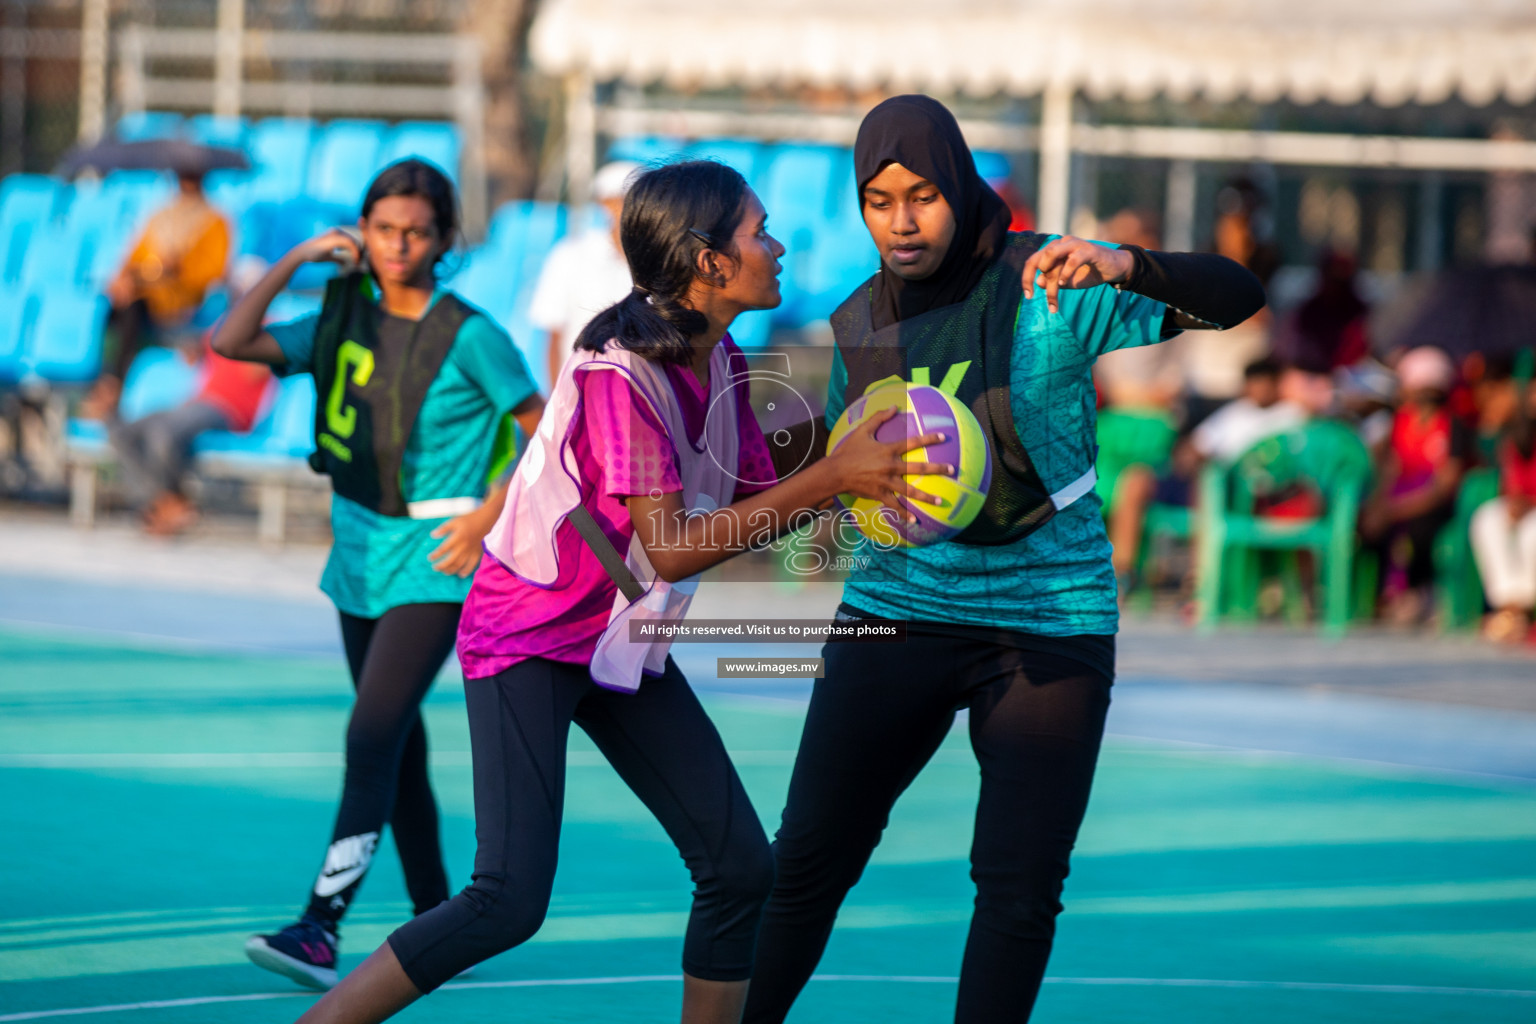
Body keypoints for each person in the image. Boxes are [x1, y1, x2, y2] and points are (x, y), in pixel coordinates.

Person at [287, 160, 951, 1024]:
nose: (777, 246)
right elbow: (673, 550)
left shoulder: (718, 362)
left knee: (740, 869)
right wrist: (832, 474)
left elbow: (753, 503)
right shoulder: (617, 371)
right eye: (758, 232)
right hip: (530, 635)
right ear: (708, 260)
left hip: (616, 643)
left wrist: (855, 477)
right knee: (507, 900)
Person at [742, 95, 1265, 1024]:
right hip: (896, 606)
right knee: (808, 864)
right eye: (877, 200)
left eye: (923, 196)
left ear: (962, 187)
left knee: (1017, 890)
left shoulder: (1050, 283)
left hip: (1049, 617)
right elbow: (853, 465)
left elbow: (1236, 296)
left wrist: (1129, 264)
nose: (901, 221)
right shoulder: (858, 317)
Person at [211, 159, 546, 991]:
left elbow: (549, 433)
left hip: (439, 559)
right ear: (363, 232)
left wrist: (488, 514)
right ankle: (441, 912)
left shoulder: (470, 333)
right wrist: (293, 262)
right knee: (397, 747)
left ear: (444, 240)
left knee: (371, 733)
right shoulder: (339, 313)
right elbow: (229, 341)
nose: (399, 245)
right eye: (385, 229)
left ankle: (318, 929)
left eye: (417, 231)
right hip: (358, 551)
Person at [85, 170, 232, 417]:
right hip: (145, 295)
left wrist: (177, 269)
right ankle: (102, 380)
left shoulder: (215, 222)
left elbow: (213, 272)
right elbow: (134, 259)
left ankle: (114, 384)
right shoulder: (161, 218)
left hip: (181, 302)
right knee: (112, 309)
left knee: (132, 311)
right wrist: (126, 279)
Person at [109, 331, 272, 535]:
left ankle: (168, 505)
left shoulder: (267, 328)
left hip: (228, 410)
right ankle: (166, 501)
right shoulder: (223, 324)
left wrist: (244, 343)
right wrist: (195, 350)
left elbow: (257, 369)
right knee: (122, 433)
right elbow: (199, 348)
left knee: (164, 434)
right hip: (197, 402)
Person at [1361, 346, 1471, 625]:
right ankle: (1378, 596)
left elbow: (1447, 482)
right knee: (1370, 527)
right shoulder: (1400, 422)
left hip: (1434, 503)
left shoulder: (1452, 425)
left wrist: (1397, 510)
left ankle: (1420, 592)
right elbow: (1390, 469)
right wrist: (1379, 505)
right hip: (1400, 496)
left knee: (1421, 531)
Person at [529, 159, 639, 386]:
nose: (623, 208)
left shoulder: (661, 259)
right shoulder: (569, 255)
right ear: (603, 203)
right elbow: (553, 335)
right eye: (616, 200)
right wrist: (559, 402)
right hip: (583, 390)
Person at [1470, 383, 1536, 643]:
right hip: (1522, 505)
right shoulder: (1516, 437)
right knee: (1488, 519)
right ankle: (1509, 608)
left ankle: (1524, 610)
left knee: (1532, 534)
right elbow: (1512, 481)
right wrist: (1515, 502)